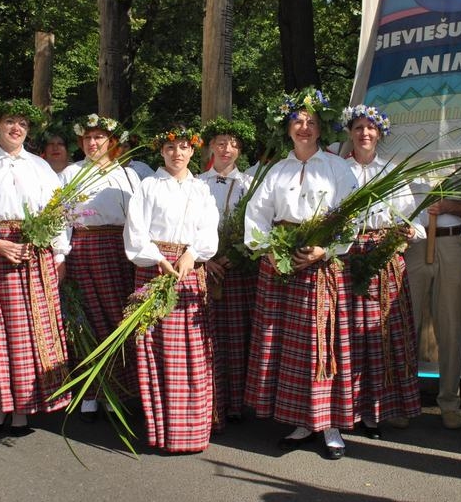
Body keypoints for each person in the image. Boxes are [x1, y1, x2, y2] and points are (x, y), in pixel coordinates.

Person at [244, 88, 358, 460]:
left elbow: (351, 216)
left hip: (322, 265)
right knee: (290, 348)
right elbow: (257, 215)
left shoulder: (339, 168)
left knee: (323, 345)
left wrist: (327, 249)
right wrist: (270, 251)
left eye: (310, 122)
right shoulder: (276, 170)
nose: (304, 127)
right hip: (283, 265)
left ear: (321, 128)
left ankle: (331, 424)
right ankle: (302, 421)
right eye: (298, 122)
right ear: (288, 129)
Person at [0, 99, 71, 436]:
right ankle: (0, 405)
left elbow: (58, 211)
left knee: (30, 332)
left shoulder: (40, 167)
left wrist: (58, 254)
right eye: (10, 121)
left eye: (23, 124)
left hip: (35, 250)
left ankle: (24, 408)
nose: (16, 128)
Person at [123, 126, 220, 452]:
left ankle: (191, 432)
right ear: (160, 151)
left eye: (183, 147)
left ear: (193, 151)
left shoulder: (201, 190)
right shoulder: (148, 186)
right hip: (155, 268)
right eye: (170, 147)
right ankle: (162, 431)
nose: (177, 153)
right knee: (158, 349)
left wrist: (192, 254)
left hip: (188, 268)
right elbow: (135, 231)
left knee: (192, 351)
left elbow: (209, 229)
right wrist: (155, 259)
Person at [341, 104, 423, 439]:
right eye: (358, 127)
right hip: (345, 257)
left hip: (384, 259)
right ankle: (345, 409)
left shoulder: (391, 171)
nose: (364, 133)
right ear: (350, 133)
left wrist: (408, 233)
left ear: (380, 134)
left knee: (379, 336)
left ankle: (374, 412)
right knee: (346, 336)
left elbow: (412, 219)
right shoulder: (336, 169)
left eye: (370, 128)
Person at [62, 114, 141, 421]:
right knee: (87, 320)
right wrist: (62, 257)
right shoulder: (71, 173)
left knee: (116, 321)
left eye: (99, 138)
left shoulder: (129, 176)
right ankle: (91, 391)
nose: (93, 144)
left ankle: (118, 391)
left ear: (111, 142)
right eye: (88, 139)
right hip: (83, 248)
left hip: (119, 251)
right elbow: (61, 219)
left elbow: (138, 220)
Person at [405, 175, 461, 430]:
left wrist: (448, 205)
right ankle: (403, 400)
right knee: (407, 322)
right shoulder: (409, 158)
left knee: (451, 323)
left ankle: (449, 401)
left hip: (451, 243)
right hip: (415, 245)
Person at [198, 117, 255, 422]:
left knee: (236, 336)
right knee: (206, 337)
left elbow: (258, 224)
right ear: (210, 147)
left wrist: (240, 252)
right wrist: (203, 259)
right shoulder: (195, 183)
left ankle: (237, 404)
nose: (226, 149)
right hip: (203, 267)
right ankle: (210, 401)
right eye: (220, 142)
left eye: (233, 144)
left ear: (239, 150)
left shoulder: (250, 185)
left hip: (236, 268)